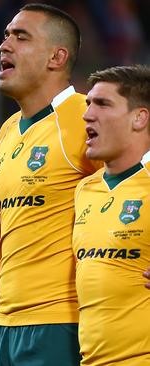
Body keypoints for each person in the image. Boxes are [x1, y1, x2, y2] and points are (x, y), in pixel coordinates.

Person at [0, 4, 101, 365]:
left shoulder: (88, 118)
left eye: (21, 37)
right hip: (5, 323)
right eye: (6, 36)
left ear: (57, 56)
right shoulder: (8, 131)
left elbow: (138, 182)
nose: (5, 45)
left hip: (60, 321)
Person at [73, 65, 150, 365]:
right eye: (89, 103)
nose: (87, 114)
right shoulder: (85, 190)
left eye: (103, 104)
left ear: (139, 117)